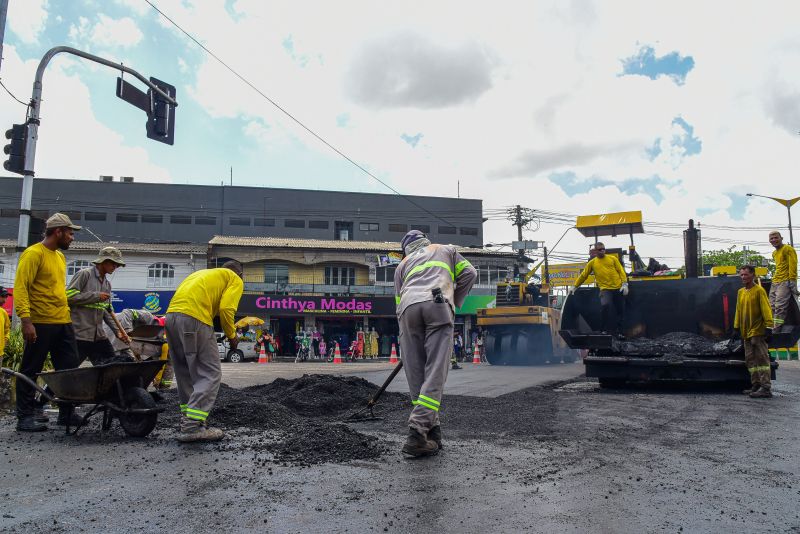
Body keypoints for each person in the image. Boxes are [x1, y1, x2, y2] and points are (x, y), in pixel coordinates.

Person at [395, 230, 477, 457]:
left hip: (408, 311)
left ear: (406, 249)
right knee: (435, 372)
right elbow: (470, 273)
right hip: (437, 304)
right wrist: (454, 300)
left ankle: (432, 432)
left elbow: (398, 301)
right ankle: (416, 431)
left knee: (416, 373)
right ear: (425, 241)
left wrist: (407, 336)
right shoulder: (446, 249)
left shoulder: (402, 265)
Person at [14, 213, 83, 431]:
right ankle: (24, 417)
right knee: (30, 369)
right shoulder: (33, 254)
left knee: (69, 369)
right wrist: (26, 321)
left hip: (62, 321)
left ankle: (66, 413)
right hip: (40, 322)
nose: (72, 238)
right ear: (58, 231)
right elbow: (21, 288)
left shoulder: (60, 257)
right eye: (70, 233)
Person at [165, 260, 244, 442]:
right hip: (195, 317)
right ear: (239, 275)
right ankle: (192, 426)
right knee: (210, 372)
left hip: (171, 317)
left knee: (185, 371)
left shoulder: (202, 275)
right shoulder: (235, 279)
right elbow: (226, 308)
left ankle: (189, 421)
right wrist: (232, 335)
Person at [67, 246, 130, 366]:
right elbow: (68, 297)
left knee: (112, 367)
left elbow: (108, 312)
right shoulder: (84, 274)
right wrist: (95, 296)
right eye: (114, 264)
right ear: (104, 261)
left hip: (98, 337)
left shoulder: (107, 284)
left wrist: (118, 332)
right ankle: (51, 386)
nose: (115, 267)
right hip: (80, 336)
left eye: (117, 265)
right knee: (67, 372)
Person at [734, 265, 774, 398]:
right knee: (750, 360)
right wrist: (736, 327)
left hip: (758, 330)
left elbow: (766, 309)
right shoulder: (741, 292)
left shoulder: (759, 291)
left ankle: (765, 388)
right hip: (746, 331)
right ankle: (756, 384)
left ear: (753, 275)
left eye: (746, 274)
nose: (744, 277)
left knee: (762, 358)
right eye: (742, 275)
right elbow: (738, 311)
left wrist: (769, 327)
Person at [573, 242, 629, 338]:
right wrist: (575, 286)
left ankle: (620, 332)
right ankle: (603, 330)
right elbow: (583, 275)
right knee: (605, 305)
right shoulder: (593, 263)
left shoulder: (612, 259)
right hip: (605, 289)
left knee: (620, 310)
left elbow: (621, 271)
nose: (602, 250)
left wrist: (625, 284)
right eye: (600, 249)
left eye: (603, 249)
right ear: (595, 251)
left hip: (618, 288)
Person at [768, 231, 798, 332]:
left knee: (780, 306)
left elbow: (793, 265)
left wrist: (792, 281)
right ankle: (773, 325)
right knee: (771, 305)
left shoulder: (788, 249)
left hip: (785, 281)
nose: (774, 240)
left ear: (781, 238)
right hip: (775, 281)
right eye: (771, 239)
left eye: (776, 238)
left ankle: (776, 329)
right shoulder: (774, 253)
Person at [0, 286, 9, 363]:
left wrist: (5, 341)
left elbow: (7, 330)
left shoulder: (4, 313)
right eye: (3, 296)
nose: (5, 300)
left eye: (6, 297)